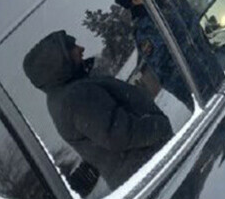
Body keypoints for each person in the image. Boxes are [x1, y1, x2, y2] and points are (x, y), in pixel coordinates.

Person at [23, 30, 173, 189]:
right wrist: (159, 127)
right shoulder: (75, 97)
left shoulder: (66, 94)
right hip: (152, 173)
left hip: (145, 173)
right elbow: (119, 134)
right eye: (72, 47)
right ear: (59, 62)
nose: (81, 48)